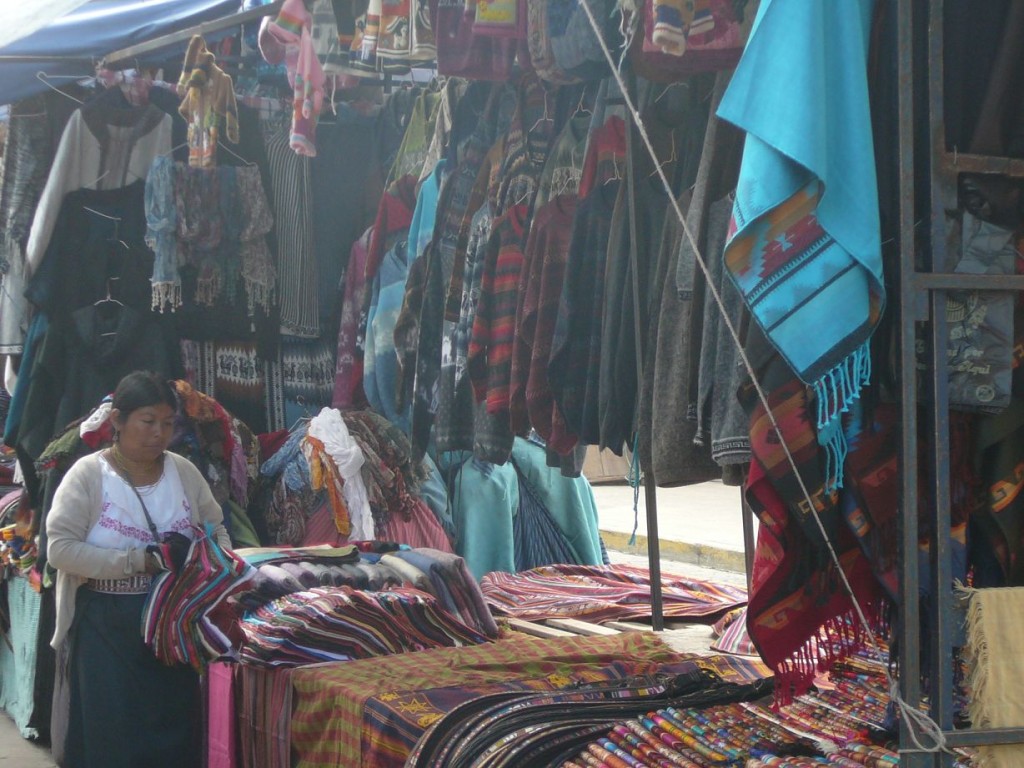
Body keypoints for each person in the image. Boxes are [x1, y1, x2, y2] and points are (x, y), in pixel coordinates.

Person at [46, 371, 231, 768]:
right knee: (113, 740)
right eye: (148, 421)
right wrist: (136, 562)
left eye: (168, 423)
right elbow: (60, 549)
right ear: (117, 421)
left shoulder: (183, 472)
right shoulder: (88, 476)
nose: (159, 433)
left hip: (174, 630)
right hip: (107, 630)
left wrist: (208, 565)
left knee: (175, 735)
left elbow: (218, 531)